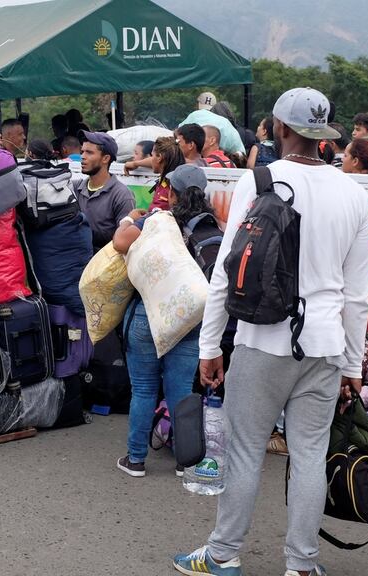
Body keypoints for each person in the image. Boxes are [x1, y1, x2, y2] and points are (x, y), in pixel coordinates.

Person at [175, 86, 368, 576]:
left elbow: (225, 270)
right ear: (324, 134)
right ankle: (302, 566)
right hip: (325, 346)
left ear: (281, 129)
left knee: (244, 452)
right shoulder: (355, 193)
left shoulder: (260, 180)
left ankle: (222, 555)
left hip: (263, 339)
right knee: (308, 455)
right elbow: (357, 295)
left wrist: (208, 347)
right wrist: (352, 365)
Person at [111, 165, 215, 478]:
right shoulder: (213, 229)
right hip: (192, 318)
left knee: (143, 389)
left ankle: (136, 459)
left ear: (172, 193)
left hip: (148, 315)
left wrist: (130, 218)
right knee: (181, 389)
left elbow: (119, 242)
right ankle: (187, 460)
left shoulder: (158, 220)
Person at [73, 130, 134, 249]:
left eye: (89, 153)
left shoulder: (122, 195)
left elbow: (125, 239)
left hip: (105, 263)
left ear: (105, 158)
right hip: (77, 260)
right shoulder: (75, 188)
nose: (82, 157)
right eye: (82, 152)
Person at [145, 136, 185, 211]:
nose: (151, 160)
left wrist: (132, 219)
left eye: (152, 155)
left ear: (159, 157)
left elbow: (157, 217)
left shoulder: (168, 188)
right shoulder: (178, 181)